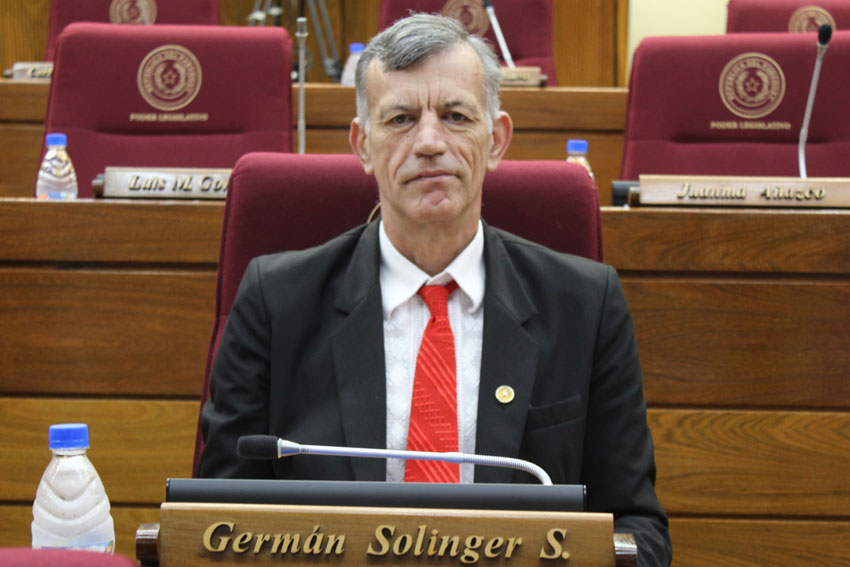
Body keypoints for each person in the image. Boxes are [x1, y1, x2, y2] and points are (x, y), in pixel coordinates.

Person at [199, 13, 672, 566]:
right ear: (363, 145)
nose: (429, 142)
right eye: (401, 119)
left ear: (496, 140)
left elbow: (637, 529)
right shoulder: (276, 302)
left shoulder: (585, 306)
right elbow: (215, 519)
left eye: (455, 116)